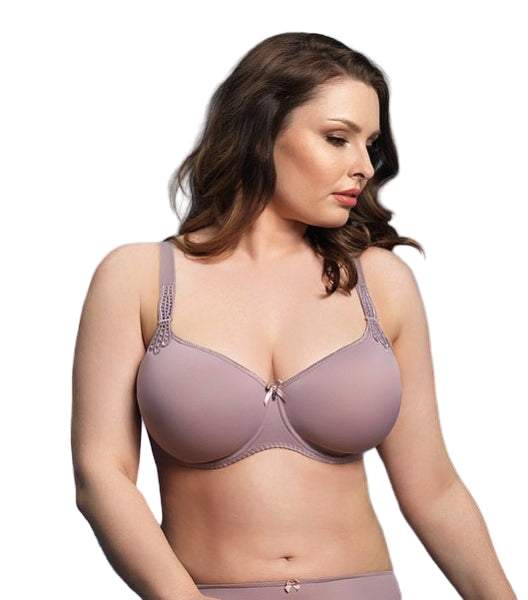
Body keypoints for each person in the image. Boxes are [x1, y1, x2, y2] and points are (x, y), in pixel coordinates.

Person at [71, 32, 517, 600]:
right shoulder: (139, 279)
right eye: (337, 138)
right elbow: (101, 475)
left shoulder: (380, 284)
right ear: (261, 134)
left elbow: (433, 490)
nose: (363, 166)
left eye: (370, 145)